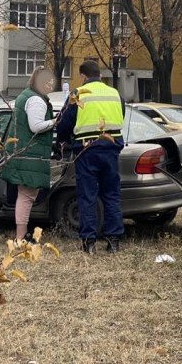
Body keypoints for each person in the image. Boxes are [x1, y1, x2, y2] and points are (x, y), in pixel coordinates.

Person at [57, 60, 126, 254]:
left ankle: (89, 242)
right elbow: (121, 117)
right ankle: (113, 240)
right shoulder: (115, 94)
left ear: (83, 77)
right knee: (112, 195)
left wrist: (62, 141)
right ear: (100, 75)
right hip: (111, 149)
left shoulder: (78, 94)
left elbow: (64, 122)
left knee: (87, 196)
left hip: (86, 150)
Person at [1, 67, 56, 244]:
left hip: (24, 153)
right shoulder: (36, 100)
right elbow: (36, 126)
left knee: (25, 195)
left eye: (51, 81)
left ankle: (21, 235)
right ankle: (20, 237)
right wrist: (56, 121)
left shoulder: (26, 95)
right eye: (46, 81)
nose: (50, 84)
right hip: (30, 154)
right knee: (27, 196)